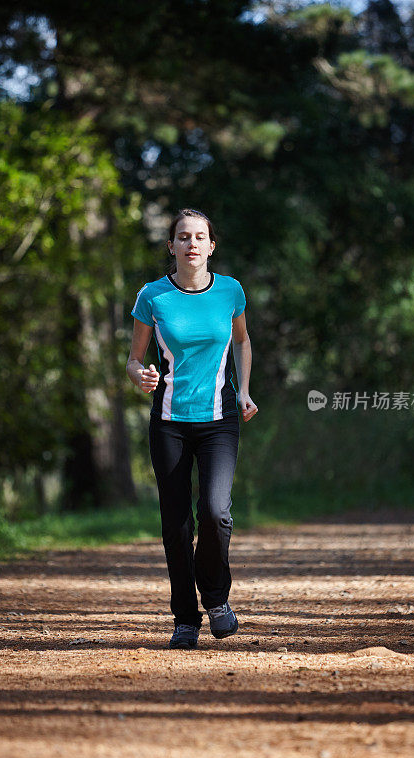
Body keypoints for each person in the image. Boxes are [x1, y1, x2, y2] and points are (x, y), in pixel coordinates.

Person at [126, 208, 258, 649]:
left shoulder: (231, 292)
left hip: (220, 419)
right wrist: (139, 375)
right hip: (169, 423)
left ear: (211, 245)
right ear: (172, 246)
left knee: (217, 512)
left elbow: (241, 341)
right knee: (176, 524)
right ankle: (186, 619)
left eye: (200, 236)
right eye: (183, 237)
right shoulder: (153, 297)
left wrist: (244, 391)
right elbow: (134, 359)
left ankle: (217, 600)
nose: (192, 244)